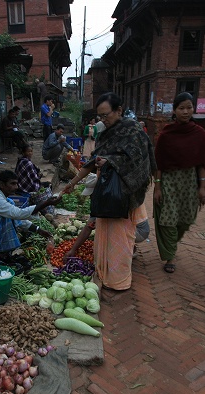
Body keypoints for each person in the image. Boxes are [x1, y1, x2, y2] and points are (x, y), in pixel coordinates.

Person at [63, 92, 156, 291]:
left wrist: (111, 162)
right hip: (106, 191)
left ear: (119, 110)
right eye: (100, 116)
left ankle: (119, 281)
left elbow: (139, 161)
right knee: (104, 236)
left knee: (121, 240)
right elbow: (91, 162)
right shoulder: (104, 134)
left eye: (106, 115)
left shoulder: (133, 130)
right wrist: (73, 182)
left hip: (124, 193)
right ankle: (103, 274)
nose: (103, 120)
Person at [153, 92, 205, 273]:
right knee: (168, 219)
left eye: (189, 107)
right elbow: (159, 163)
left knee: (185, 220)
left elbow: (202, 163)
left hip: (190, 182)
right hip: (169, 181)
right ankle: (169, 257)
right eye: (181, 108)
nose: (185, 111)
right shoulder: (166, 135)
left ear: (193, 109)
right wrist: (157, 187)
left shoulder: (200, 134)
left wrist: (203, 187)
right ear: (174, 111)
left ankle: (171, 245)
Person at [0, 170, 61, 261]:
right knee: (6, 215)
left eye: (16, 184)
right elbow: (17, 214)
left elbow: (18, 218)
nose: (16, 187)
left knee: (10, 207)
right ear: (2, 185)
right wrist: (47, 203)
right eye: (12, 184)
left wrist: (38, 230)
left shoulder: (5, 199)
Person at [62, 174, 150, 262]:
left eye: (92, 194)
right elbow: (89, 226)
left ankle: (127, 252)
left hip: (140, 231)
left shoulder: (110, 199)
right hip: (136, 228)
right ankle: (129, 246)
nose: (90, 197)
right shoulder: (113, 191)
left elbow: (88, 228)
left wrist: (73, 249)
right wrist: (73, 249)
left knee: (106, 229)